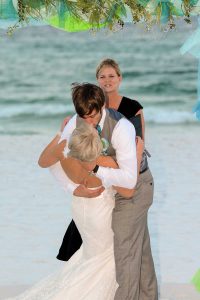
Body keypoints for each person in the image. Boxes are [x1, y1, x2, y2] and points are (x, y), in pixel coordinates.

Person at [57, 59, 158, 300]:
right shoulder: (77, 120)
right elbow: (60, 157)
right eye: (84, 117)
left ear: (101, 106)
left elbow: (129, 180)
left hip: (137, 184)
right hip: (114, 186)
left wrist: (94, 167)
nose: (88, 123)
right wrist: (71, 187)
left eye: (92, 117)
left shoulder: (122, 126)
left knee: (124, 252)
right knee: (139, 250)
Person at [6, 122, 120, 300]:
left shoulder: (66, 153)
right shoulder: (104, 162)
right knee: (106, 256)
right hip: (99, 212)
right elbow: (129, 175)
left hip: (80, 208)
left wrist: (60, 133)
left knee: (91, 254)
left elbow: (43, 161)